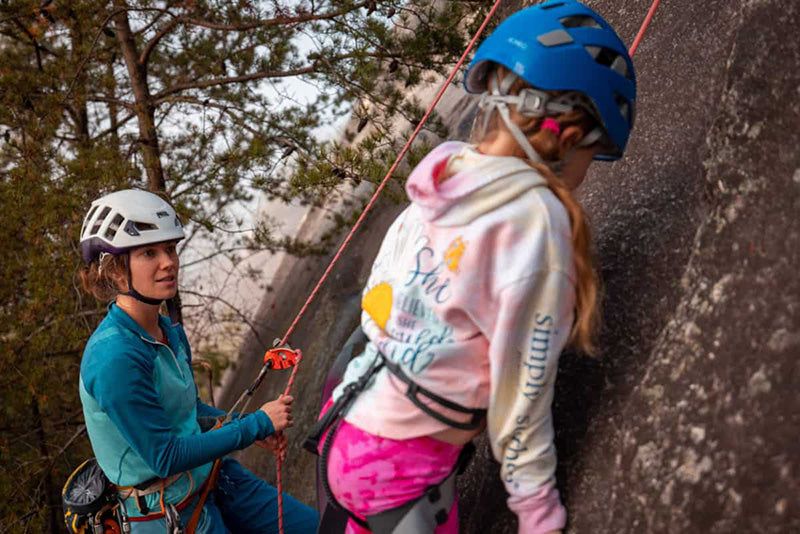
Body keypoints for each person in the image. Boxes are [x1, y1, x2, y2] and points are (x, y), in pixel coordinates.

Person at [314, 1, 636, 533]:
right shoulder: (536, 218)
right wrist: (538, 513)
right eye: (592, 153)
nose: (585, 173)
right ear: (569, 135)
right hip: (402, 468)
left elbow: (378, 306)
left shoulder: (438, 185)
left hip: (348, 433)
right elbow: (523, 390)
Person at [77, 189, 319, 533]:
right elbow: (165, 456)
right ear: (117, 271)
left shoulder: (165, 330)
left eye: (170, 249)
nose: (168, 262)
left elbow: (189, 413)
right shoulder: (114, 357)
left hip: (210, 478)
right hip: (166, 513)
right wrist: (255, 426)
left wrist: (243, 423)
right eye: (149, 253)